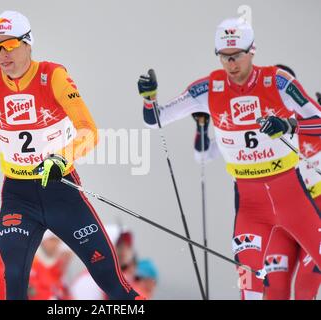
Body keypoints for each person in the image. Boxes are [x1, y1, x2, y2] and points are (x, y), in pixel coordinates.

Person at [0, 10, 141, 300]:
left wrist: (62, 158)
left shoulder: (53, 77)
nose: (3, 54)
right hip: (19, 196)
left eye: (10, 45)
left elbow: (88, 131)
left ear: (28, 43)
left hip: (60, 190)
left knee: (109, 278)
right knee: (14, 278)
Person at [137, 17, 321, 299]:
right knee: (251, 283)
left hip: (292, 196)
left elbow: (318, 121)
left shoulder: (279, 80)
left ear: (252, 51)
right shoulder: (207, 89)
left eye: (236, 56)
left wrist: (289, 125)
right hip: (251, 206)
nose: (231, 65)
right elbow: (156, 120)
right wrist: (149, 98)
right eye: (224, 57)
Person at [191, 65, 321, 300]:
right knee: (274, 289)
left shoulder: (307, 122)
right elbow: (203, 156)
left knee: (305, 289)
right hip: (275, 219)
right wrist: (202, 128)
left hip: (311, 210)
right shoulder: (254, 128)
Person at [70, 225, 137, 300]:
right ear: (106, 246)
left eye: (127, 246)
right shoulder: (89, 281)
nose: (124, 252)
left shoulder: (119, 279)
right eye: (119, 246)